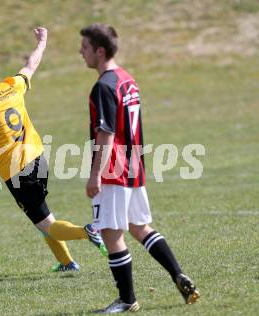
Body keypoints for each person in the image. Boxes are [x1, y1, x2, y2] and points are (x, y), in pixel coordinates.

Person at [0, 27, 107, 272]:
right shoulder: (12, 85)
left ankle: (87, 231)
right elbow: (31, 65)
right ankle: (66, 263)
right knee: (41, 218)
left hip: (17, 171)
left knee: (46, 223)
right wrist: (42, 43)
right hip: (38, 158)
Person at [79, 23, 200, 313]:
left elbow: (106, 133)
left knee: (110, 233)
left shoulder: (104, 86)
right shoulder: (127, 79)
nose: (80, 53)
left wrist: (95, 174)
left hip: (114, 169)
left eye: (84, 48)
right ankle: (177, 273)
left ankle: (127, 299)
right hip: (134, 167)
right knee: (139, 227)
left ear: (99, 50)